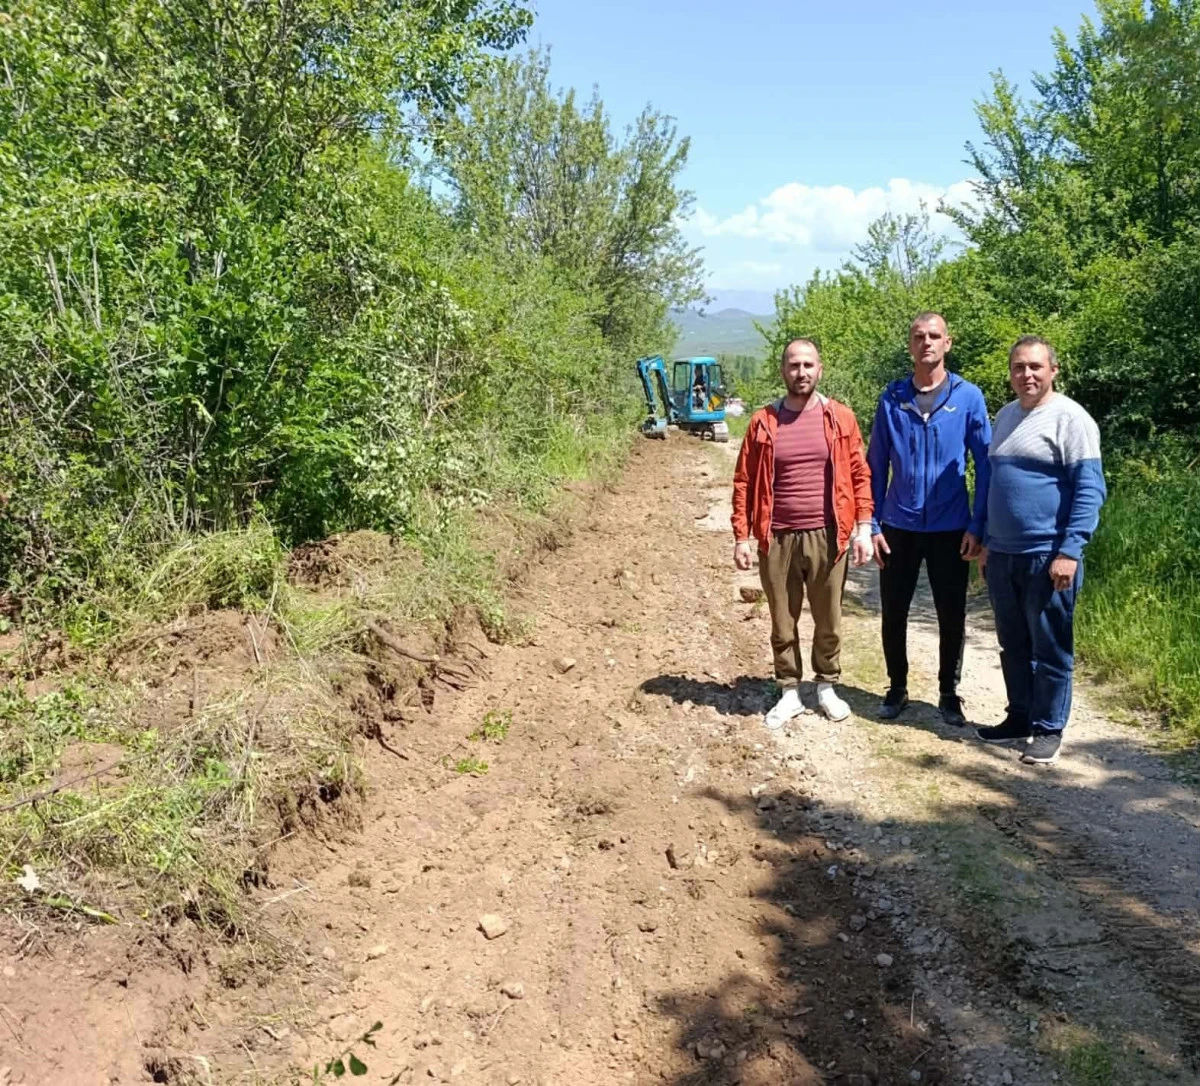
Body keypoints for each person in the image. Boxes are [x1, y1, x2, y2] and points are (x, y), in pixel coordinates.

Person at [975, 336, 1105, 764]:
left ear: (1053, 370)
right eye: (1018, 367)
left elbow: (1090, 490)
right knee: (1013, 643)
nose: (1026, 375)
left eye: (1035, 367)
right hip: (1004, 554)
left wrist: (1071, 550)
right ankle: (1020, 718)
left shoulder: (1071, 418)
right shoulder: (1006, 416)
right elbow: (993, 485)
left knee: (1050, 647)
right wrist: (988, 544)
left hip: (1048, 555)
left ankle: (1049, 728)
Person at [731, 339, 874, 729]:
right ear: (783, 371)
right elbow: (744, 480)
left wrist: (863, 527)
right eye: (794, 365)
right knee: (782, 618)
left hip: (829, 533)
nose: (801, 372)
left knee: (828, 618)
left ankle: (826, 685)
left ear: (820, 370)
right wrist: (742, 536)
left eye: (808, 365)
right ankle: (789, 691)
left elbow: (859, 474)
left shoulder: (839, 418)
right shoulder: (764, 421)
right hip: (776, 536)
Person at [866, 312, 991, 726]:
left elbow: (986, 464)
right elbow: (876, 462)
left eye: (934, 336)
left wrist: (979, 525)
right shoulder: (893, 397)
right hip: (898, 524)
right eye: (919, 336)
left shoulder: (968, 396)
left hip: (951, 525)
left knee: (951, 612)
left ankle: (948, 693)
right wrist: (872, 522)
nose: (927, 343)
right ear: (910, 345)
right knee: (894, 610)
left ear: (948, 343)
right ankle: (896, 688)